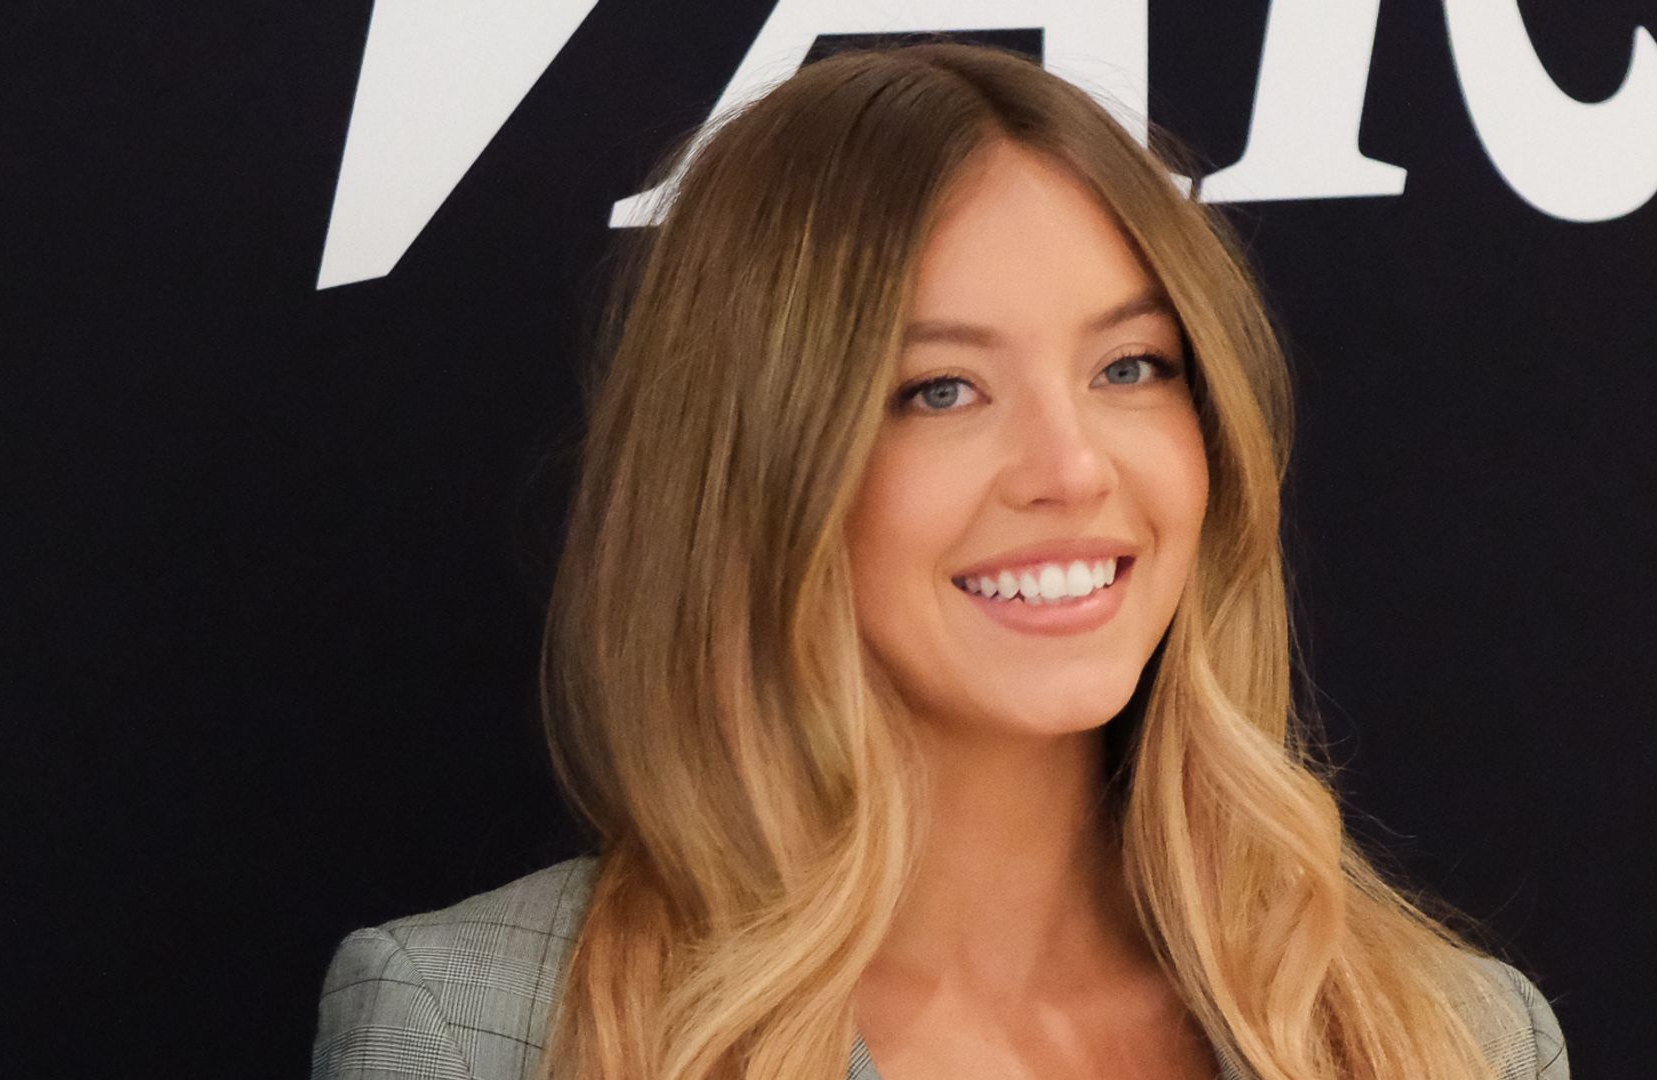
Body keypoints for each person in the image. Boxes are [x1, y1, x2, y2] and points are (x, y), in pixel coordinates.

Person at [310, 42, 1568, 1080]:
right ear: (756, 470)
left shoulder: (1453, 1039)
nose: (1070, 468)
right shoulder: (479, 1033)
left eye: (1130, 367)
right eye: (942, 389)